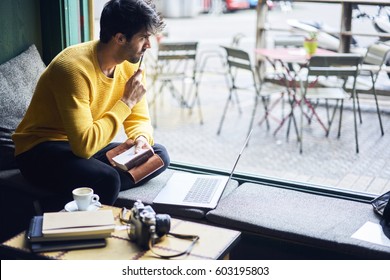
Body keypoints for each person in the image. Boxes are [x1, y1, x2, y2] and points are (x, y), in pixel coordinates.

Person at [12, 0, 170, 207]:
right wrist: (126, 101)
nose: (148, 45)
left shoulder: (130, 64)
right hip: (40, 150)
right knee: (108, 179)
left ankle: (71, 195)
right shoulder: (72, 68)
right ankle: (50, 209)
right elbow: (84, 147)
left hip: (84, 144)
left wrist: (141, 138)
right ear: (120, 38)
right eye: (143, 37)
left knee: (158, 155)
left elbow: (138, 117)